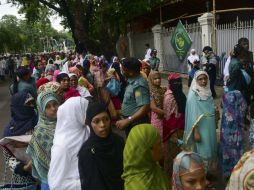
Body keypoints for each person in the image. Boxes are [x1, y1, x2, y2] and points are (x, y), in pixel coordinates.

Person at [78, 101, 125, 190]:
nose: (102, 125)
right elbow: (91, 183)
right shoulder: (87, 151)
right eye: (96, 121)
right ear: (90, 124)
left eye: (106, 119)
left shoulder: (118, 141)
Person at [48, 97, 90, 190]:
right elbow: (56, 185)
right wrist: (86, 183)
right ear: (75, 114)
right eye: (85, 111)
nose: (89, 114)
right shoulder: (62, 147)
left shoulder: (86, 129)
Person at [183, 70, 217, 171]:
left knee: (210, 147)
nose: (203, 81)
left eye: (205, 78)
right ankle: (201, 176)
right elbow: (193, 114)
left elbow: (210, 107)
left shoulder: (207, 91)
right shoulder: (194, 94)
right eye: (200, 79)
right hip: (200, 128)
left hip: (209, 126)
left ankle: (206, 175)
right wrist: (196, 131)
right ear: (196, 80)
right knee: (203, 150)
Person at [26, 91, 60, 189]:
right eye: (48, 106)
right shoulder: (39, 132)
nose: (53, 109)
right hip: (48, 181)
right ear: (41, 109)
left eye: (55, 104)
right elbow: (36, 158)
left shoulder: (66, 125)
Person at [122, 124, 169, 190]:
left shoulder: (153, 167)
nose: (162, 147)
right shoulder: (136, 187)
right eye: (159, 144)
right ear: (147, 151)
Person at [116, 58, 150, 136]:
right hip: (132, 122)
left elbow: (145, 107)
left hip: (137, 123)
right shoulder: (132, 81)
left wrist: (128, 120)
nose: (122, 72)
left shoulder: (138, 85)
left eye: (124, 70)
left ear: (131, 72)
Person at [219, 90, 247, 179]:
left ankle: (226, 171)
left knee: (226, 149)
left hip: (226, 129)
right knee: (236, 150)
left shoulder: (225, 95)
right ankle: (236, 171)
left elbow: (221, 106)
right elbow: (244, 107)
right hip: (237, 129)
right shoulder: (240, 95)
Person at [163, 73, 186, 173]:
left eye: (179, 82)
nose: (178, 84)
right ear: (170, 83)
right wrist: (173, 133)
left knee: (180, 155)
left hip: (181, 127)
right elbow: (167, 116)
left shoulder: (179, 94)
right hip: (172, 131)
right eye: (175, 82)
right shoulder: (169, 96)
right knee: (171, 155)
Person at [148, 71, 166, 137]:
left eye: (159, 78)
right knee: (158, 135)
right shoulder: (150, 91)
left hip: (163, 115)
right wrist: (166, 113)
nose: (158, 80)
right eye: (155, 79)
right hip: (157, 116)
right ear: (151, 80)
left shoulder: (162, 89)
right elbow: (153, 108)